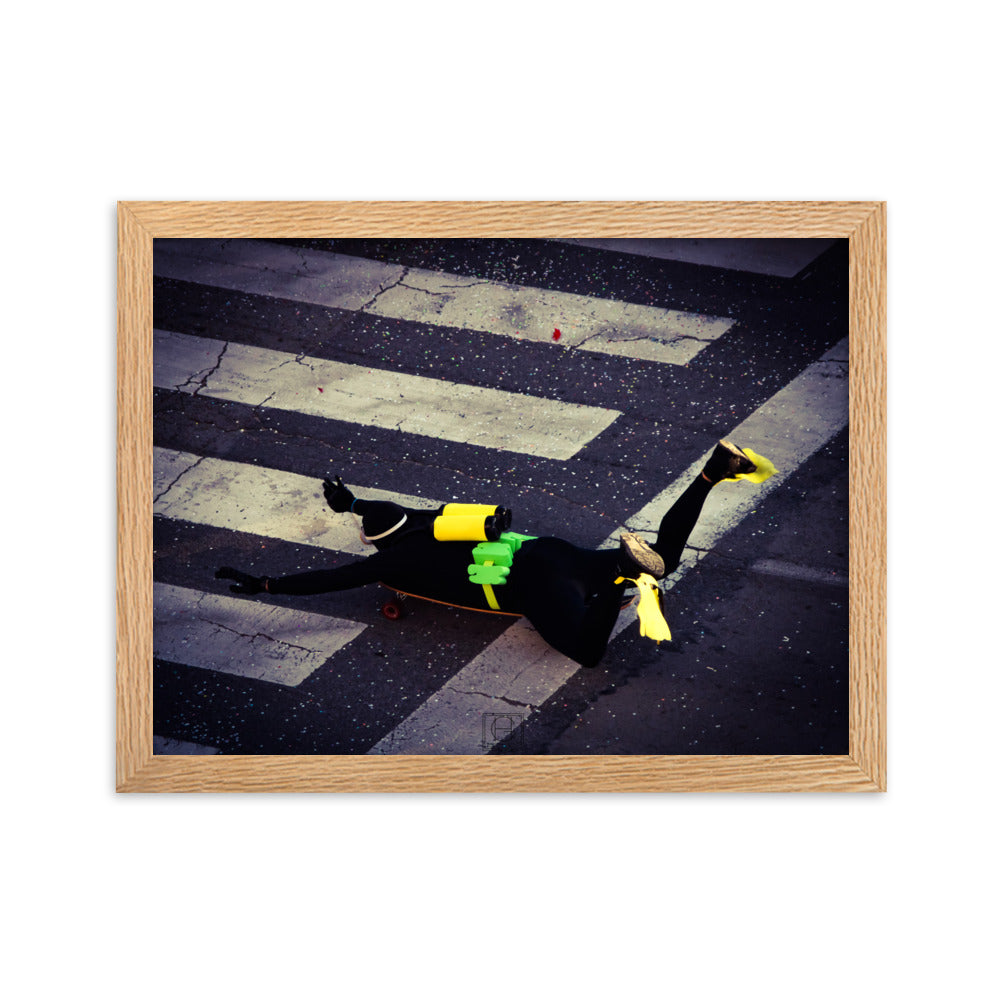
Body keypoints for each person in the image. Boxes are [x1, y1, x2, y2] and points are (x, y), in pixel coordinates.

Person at [216, 440, 771, 669]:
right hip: (551, 553)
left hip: (529, 585)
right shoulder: (435, 520)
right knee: (666, 556)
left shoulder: (388, 564)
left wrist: (266, 585)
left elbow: (330, 579)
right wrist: (352, 502)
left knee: (588, 653)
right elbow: (380, 509)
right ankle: (712, 471)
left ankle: (620, 582)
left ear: (376, 545)